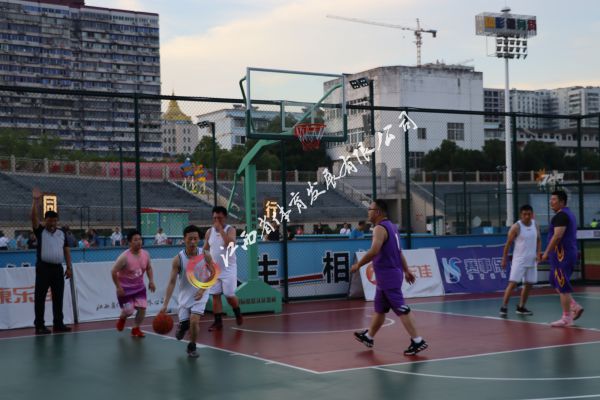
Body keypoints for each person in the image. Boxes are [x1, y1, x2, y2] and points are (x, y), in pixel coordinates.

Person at [350, 200, 428, 356]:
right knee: (380, 309)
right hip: (387, 276)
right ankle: (369, 336)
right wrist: (406, 270)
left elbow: (374, 251)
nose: (368, 212)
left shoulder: (379, 228)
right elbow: (398, 252)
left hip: (388, 276)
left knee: (401, 308)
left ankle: (418, 340)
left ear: (378, 212)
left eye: (370, 209)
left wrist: (358, 265)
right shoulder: (392, 227)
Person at [161, 225, 216, 357]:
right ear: (184, 239)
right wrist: (165, 304)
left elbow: (214, 274)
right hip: (185, 296)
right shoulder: (178, 259)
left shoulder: (205, 255)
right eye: (190, 239)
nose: (192, 242)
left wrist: (202, 290)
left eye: (195, 239)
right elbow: (172, 282)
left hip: (201, 293)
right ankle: (182, 326)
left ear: (199, 239)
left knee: (194, 321)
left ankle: (192, 346)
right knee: (186, 324)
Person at [31, 188, 73, 335]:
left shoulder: (62, 233)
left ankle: (58, 324)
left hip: (57, 269)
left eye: (55, 220)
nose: (53, 222)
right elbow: (33, 218)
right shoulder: (40, 231)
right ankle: (39, 325)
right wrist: (35, 201)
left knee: (58, 297)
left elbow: (66, 250)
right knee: (40, 297)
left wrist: (69, 267)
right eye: (50, 220)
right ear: (45, 220)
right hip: (43, 268)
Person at [541, 190, 584, 327]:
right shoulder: (566, 214)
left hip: (563, 256)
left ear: (562, 202)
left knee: (562, 284)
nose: (551, 202)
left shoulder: (561, 216)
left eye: (554, 199)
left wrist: (546, 252)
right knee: (553, 280)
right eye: (551, 199)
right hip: (562, 255)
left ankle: (566, 318)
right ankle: (574, 306)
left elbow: (557, 236)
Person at [204, 206, 243, 331]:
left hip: (228, 269)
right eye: (215, 218)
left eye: (219, 218)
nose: (217, 220)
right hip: (214, 270)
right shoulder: (209, 232)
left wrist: (220, 230)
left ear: (225, 218)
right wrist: (206, 262)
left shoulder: (230, 229)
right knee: (215, 295)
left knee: (229, 295)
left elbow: (230, 244)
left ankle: (237, 312)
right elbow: (205, 249)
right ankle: (218, 322)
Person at [111, 229, 155, 337]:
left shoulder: (145, 254)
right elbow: (113, 271)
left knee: (142, 308)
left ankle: (136, 329)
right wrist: (118, 287)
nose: (138, 242)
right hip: (125, 289)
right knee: (129, 311)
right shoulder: (124, 257)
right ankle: (122, 318)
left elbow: (149, 268)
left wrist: (151, 281)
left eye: (140, 239)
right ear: (130, 242)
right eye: (135, 240)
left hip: (139, 288)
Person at [499, 204, 541, 316]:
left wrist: (538, 254)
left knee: (529, 284)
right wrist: (504, 259)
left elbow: (538, 240)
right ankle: (504, 307)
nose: (527, 216)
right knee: (513, 284)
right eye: (524, 214)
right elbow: (508, 244)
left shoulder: (535, 225)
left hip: (532, 261)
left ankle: (521, 307)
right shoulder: (516, 227)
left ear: (532, 214)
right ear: (521, 215)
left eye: (529, 214)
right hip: (519, 261)